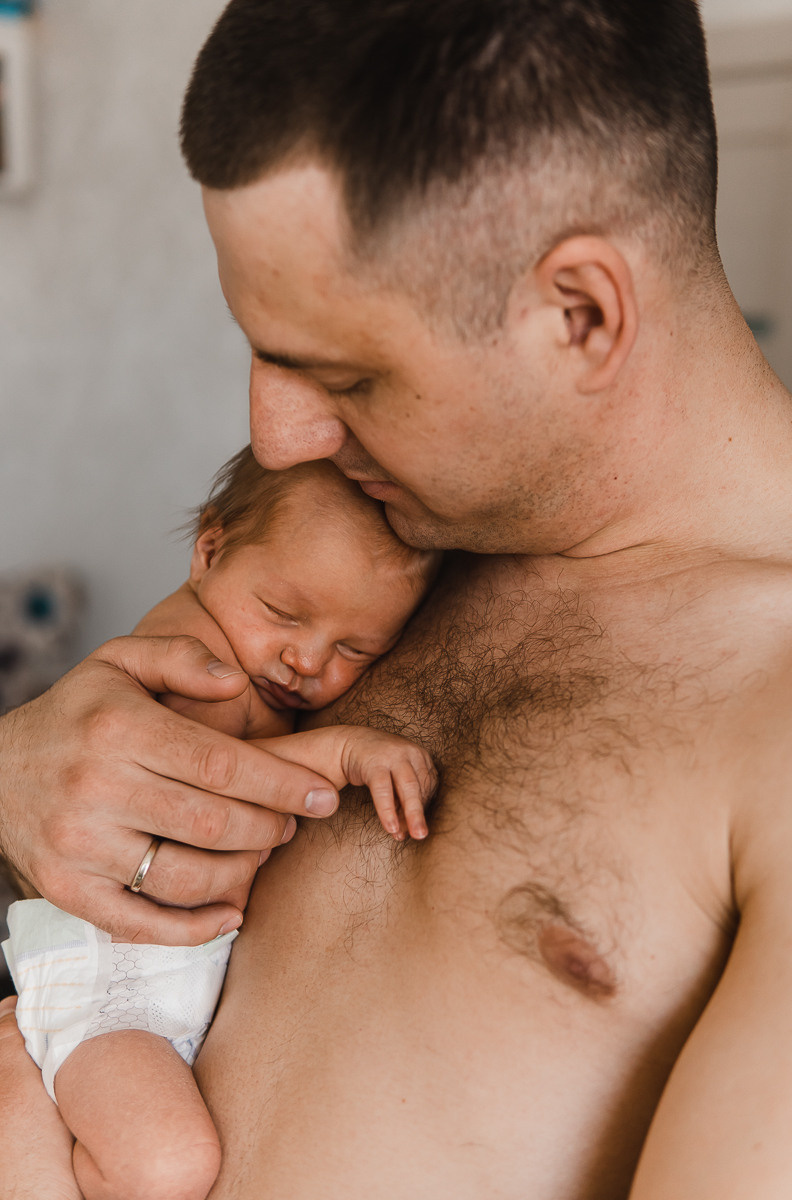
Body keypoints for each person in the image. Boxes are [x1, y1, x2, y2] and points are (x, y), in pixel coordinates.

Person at [2, 0, 792, 1196]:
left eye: (345, 374)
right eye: (261, 354)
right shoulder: (381, 535)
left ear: (578, 313)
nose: (278, 432)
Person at [2, 446, 438, 1200]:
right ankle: (19, 1085)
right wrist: (339, 750)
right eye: (283, 614)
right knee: (168, 1167)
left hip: (163, 979)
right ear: (209, 551)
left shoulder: (260, 659)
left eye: (353, 647)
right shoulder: (199, 658)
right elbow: (210, 780)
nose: (305, 659)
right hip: (117, 979)